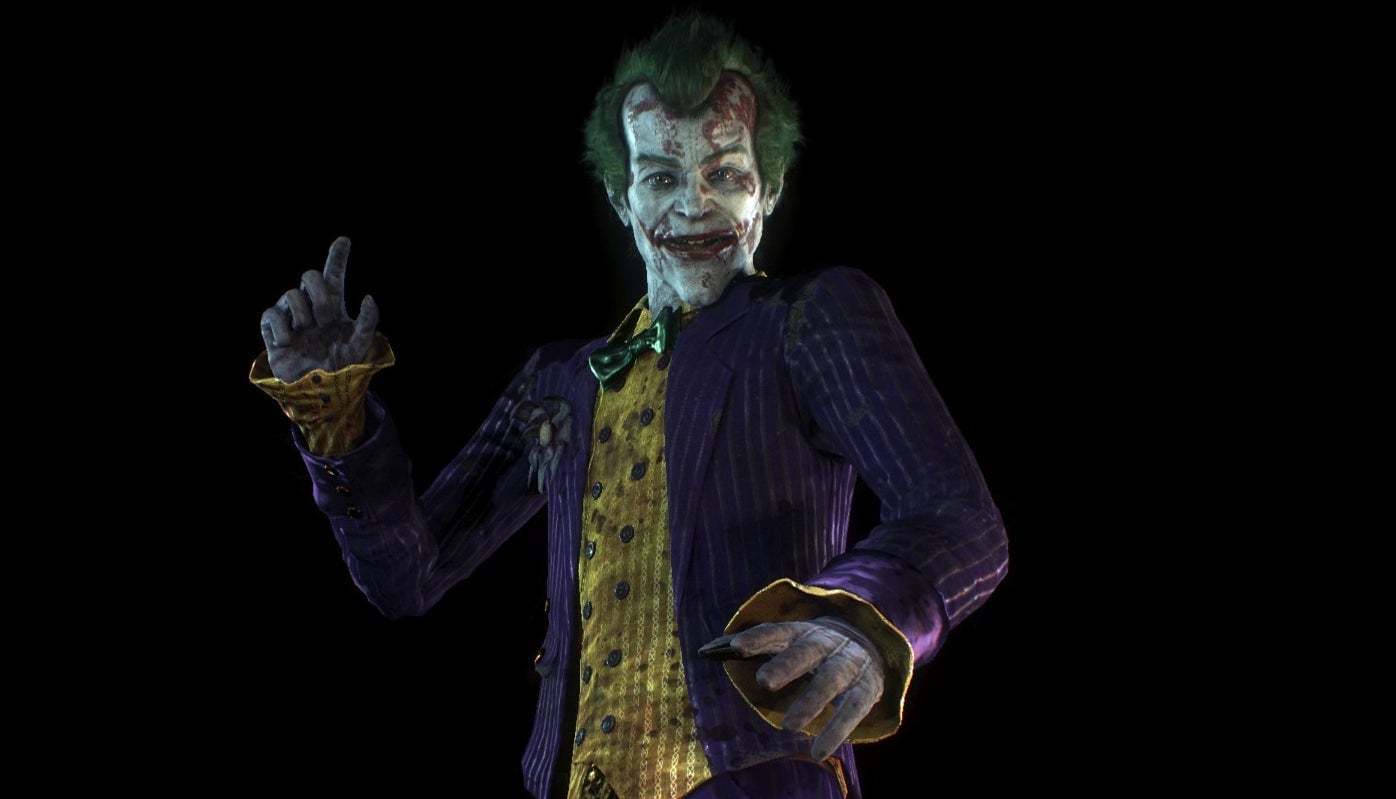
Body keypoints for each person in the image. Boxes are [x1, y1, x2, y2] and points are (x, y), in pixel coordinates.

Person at [249, 11, 1007, 799]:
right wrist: (334, 418)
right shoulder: (558, 381)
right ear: (621, 195)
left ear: (770, 189)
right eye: (662, 178)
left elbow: (959, 515)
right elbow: (411, 576)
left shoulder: (808, 321)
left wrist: (861, 618)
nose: (694, 206)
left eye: (726, 174)